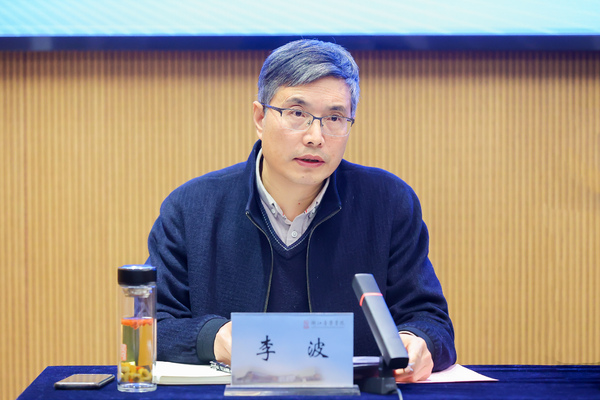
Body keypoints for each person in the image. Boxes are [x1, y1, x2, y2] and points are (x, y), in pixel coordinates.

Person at [147, 39, 456, 382]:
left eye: (334, 117)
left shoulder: (388, 203)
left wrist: (418, 341)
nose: (315, 136)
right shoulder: (191, 208)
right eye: (297, 113)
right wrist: (213, 338)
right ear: (260, 117)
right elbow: (151, 324)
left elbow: (430, 320)